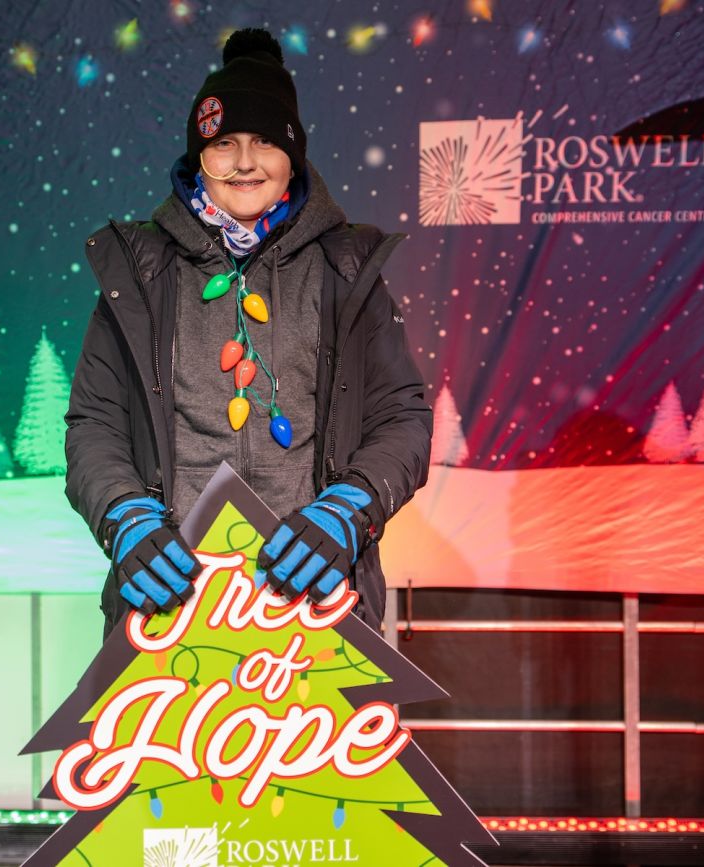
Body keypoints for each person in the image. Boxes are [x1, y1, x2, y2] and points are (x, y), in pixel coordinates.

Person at [65, 28, 431, 636]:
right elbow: (94, 426)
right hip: (169, 609)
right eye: (223, 143)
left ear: (293, 154)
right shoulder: (141, 271)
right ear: (197, 157)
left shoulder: (346, 269)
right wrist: (125, 517)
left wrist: (349, 510)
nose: (244, 162)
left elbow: (402, 418)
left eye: (264, 141)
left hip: (316, 604)